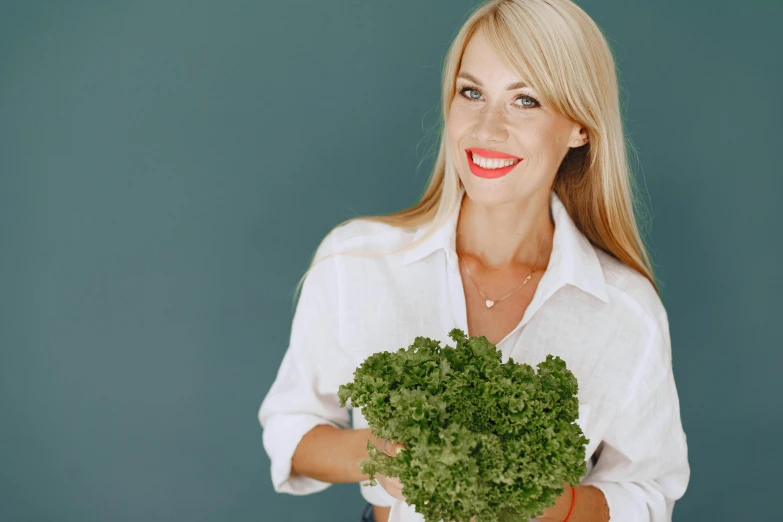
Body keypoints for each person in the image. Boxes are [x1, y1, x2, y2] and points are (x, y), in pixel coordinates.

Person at [257, 0, 690, 521]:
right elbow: (291, 429)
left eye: (525, 100)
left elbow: (648, 491)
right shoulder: (357, 262)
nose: (487, 129)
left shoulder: (624, 311)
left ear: (580, 127)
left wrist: (548, 503)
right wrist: (386, 458)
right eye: (472, 92)